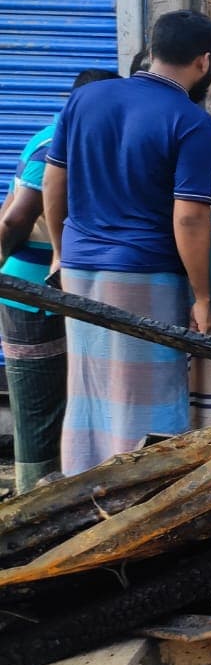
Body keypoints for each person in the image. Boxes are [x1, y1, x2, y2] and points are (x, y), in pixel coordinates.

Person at [43, 13, 211, 473]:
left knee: (91, 389)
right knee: (148, 391)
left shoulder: (85, 99)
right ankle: (143, 492)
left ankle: (80, 489)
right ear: (203, 61)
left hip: (81, 269)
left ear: (153, 47)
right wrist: (202, 296)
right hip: (147, 274)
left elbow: (53, 181)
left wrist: (63, 250)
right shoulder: (192, 122)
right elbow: (189, 216)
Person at [0, 69, 118, 489]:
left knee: (62, 397)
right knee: (39, 403)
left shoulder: (73, 140)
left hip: (58, 287)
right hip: (31, 290)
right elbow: (16, 216)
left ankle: (60, 490)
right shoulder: (55, 141)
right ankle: (31, 500)